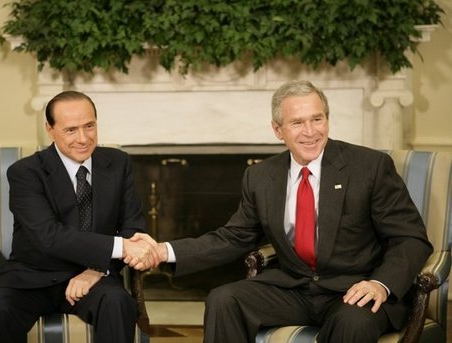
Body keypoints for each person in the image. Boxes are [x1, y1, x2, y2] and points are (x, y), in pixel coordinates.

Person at [138, 80, 433, 343]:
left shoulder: (368, 167)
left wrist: (381, 284)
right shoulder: (262, 176)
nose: (310, 132)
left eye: (317, 119)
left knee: (351, 323)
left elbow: (410, 238)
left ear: (327, 120)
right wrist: (165, 251)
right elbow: (233, 237)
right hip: (295, 287)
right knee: (224, 299)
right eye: (297, 123)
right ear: (277, 130)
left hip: (357, 289)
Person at [0, 91, 160, 343]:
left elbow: (133, 228)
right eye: (71, 130)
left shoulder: (118, 163)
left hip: (93, 277)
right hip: (32, 277)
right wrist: (120, 247)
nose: (83, 138)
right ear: (49, 129)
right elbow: (47, 236)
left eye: (89, 126)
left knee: (119, 303)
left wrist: (97, 268)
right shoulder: (26, 172)